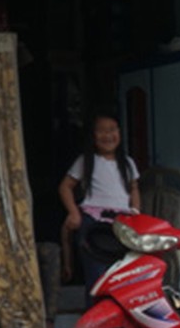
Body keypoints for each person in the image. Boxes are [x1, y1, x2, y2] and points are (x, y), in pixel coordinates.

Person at [57, 113, 140, 293]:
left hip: (122, 223)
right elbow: (65, 186)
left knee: (123, 275)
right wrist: (74, 212)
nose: (108, 136)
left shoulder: (127, 163)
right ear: (92, 136)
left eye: (112, 130)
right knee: (97, 278)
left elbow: (134, 189)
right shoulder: (85, 161)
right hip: (93, 221)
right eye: (101, 131)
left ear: (119, 132)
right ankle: (96, 318)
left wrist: (135, 212)